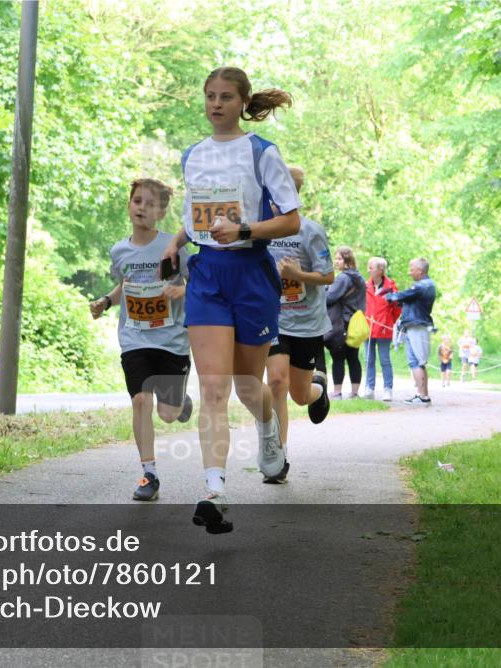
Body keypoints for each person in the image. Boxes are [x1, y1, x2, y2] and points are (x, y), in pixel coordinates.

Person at [161, 66, 302, 533]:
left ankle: (268, 432)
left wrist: (243, 229)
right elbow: (198, 213)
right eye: (209, 96)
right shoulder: (193, 155)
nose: (216, 104)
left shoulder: (262, 153)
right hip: (208, 276)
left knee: (246, 384)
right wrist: (175, 243)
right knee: (215, 389)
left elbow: (291, 221)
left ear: (242, 102)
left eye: (225, 96)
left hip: (252, 273)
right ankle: (214, 490)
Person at [90, 179, 193, 501]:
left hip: (171, 339)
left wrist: (182, 289)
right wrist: (106, 301)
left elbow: (203, 282)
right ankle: (149, 473)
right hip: (134, 336)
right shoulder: (119, 251)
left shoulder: (174, 248)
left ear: (161, 212)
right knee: (140, 401)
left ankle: (180, 403)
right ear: (129, 205)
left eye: (150, 204)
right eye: (137, 201)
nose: (141, 208)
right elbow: (125, 283)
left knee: (167, 414)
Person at [264, 166, 334, 483]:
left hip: (306, 322)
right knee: (276, 383)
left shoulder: (310, 231)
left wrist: (298, 277)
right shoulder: (262, 230)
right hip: (273, 318)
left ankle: (318, 391)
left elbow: (328, 276)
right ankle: (278, 457)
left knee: (298, 394)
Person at [385, 257, 436, 405]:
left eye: (412, 269)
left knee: (416, 361)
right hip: (416, 325)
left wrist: (389, 296)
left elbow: (402, 295)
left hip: (416, 326)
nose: (409, 272)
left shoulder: (422, 285)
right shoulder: (426, 285)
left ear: (420, 271)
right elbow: (407, 299)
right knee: (419, 361)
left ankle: (422, 396)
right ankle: (423, 395)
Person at [323, 247, 366, 399]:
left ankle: (337, 392)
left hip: (342, 322)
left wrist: (325, 289)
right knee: (353, 357)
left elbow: (329, 298)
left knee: (338, 357)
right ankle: (354, 393)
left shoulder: (343, 278)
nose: (336, 261)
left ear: (347, 261)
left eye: (339, 258)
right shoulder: (360, 277)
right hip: (356, 323)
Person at [362, 257, 401, 401]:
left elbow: (397, 309)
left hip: (384, 330)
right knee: (368, 360)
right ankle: (369, 388)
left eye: (371, 267)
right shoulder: (365, 286)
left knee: (385, 359)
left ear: (380, 270)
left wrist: (388, 322)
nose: (368, 270)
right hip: (368, 329)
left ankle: (387, 389)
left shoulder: (391, 288)